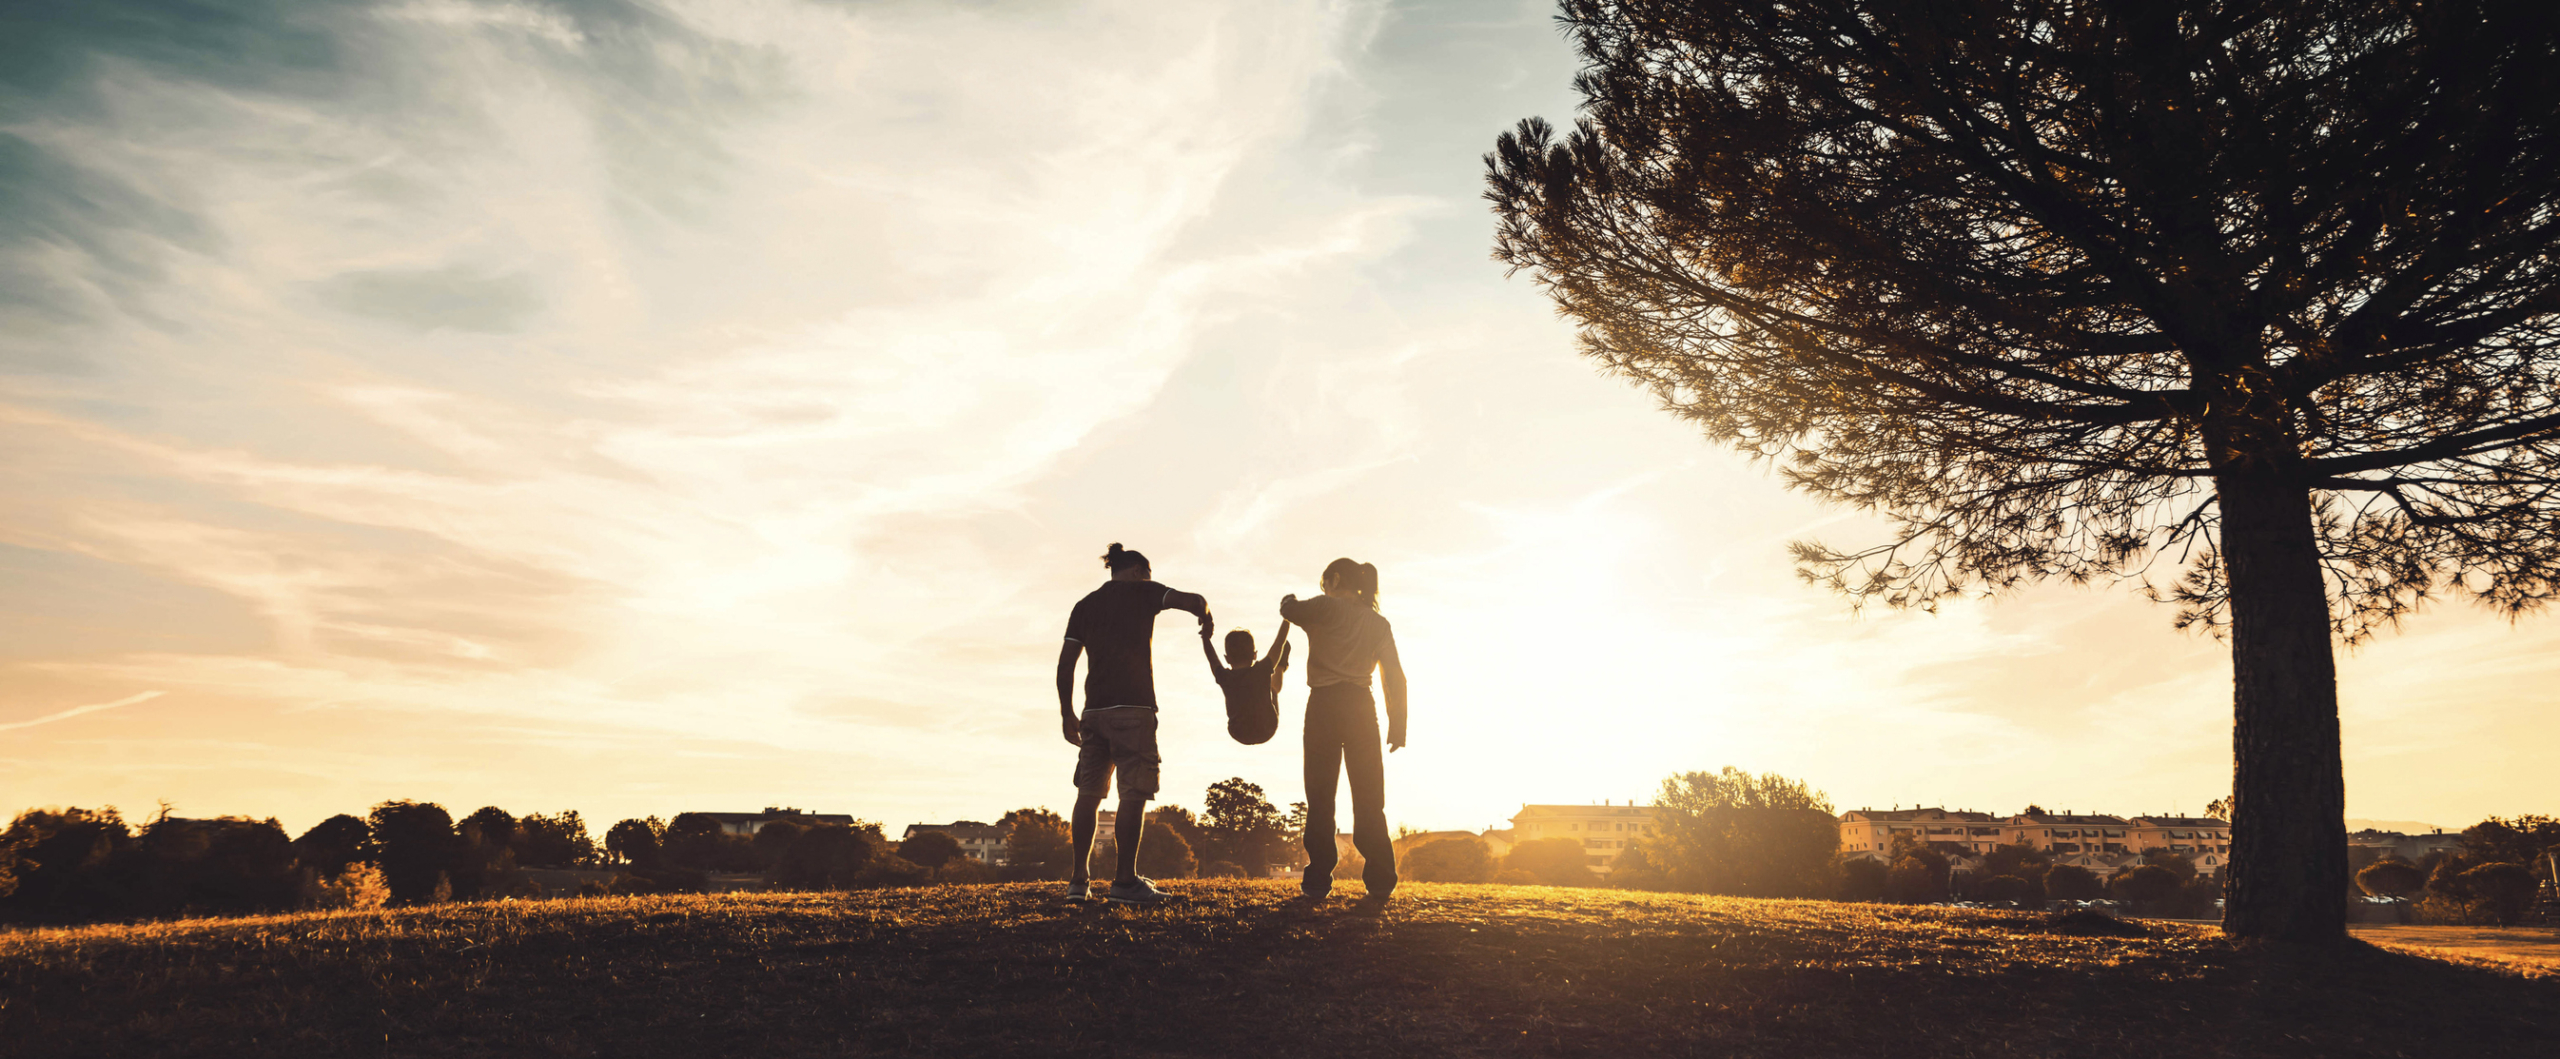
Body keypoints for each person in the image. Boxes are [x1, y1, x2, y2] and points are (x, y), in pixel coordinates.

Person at [1058, 542, 1211, 905]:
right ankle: (1124, 882)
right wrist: (1206, 615)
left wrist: (1067, 712)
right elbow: (1195, 600)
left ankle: (1078, 881)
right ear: (1141, 571)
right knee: (1133, 794)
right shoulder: (1146, 591)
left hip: (1092, 712)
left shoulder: (1085, 605)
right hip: (1134, 709)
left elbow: (1066, 663)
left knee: (1088, 795)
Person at [1281, 558, 1406, 907]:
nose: (1324, 589)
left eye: (1325, 583)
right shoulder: (1378, 623)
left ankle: (1318, 880)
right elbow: (1394, 675)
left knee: (1320, 797)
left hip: (1323, 705)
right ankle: (1380, 881)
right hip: (1362, 709)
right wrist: (1398, 725)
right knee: (1370, 797)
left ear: (1335, 579)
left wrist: (1288, 598)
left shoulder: (1324, 607)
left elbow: (1289, 609)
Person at [1201, 620, 1291, 745]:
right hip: (1266, 729)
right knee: (1273, 690)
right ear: (1254, 655)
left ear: (1227, 658)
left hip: (1238, 732)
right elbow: (1279, 642)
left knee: (1268, 685)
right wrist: (1287, 618)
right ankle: (1280, 667)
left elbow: (1212, 658)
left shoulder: (1225, 677)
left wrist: (1205, 636)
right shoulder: (1261, 670)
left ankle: (1280, 666)